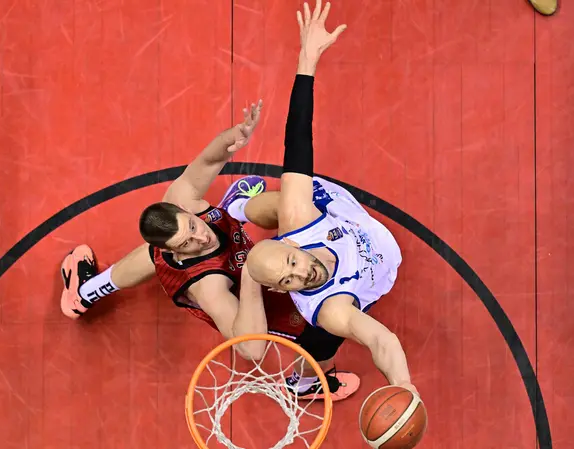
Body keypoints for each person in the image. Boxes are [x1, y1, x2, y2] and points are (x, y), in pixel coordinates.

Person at [58, 100, 360, 402]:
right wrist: (252, 274)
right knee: (323, 328)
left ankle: (236, 207)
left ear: (183, 211)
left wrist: (234, 136)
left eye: (192, 227)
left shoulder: (183, 201)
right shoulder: (208, 286)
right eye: (186, 244)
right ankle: (305, 384)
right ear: (175, 251)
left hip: (224, 250)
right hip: (244, 290)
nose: (199, 238)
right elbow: (251, 349)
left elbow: (207, 162)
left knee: (280, 206)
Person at [234, 0, 418, 396]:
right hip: (375, 273)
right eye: (289, 280)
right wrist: (403, 387)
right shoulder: (331, 308)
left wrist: (307, 59)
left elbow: (297, 139)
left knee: (283, 197)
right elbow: (380, 339)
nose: (302, 274)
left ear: (290, 244)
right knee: (323, 340)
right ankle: (309, 380)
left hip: (336, 214)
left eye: (292, 262)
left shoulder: (298, 221)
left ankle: (240, 205)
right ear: (283, 291)